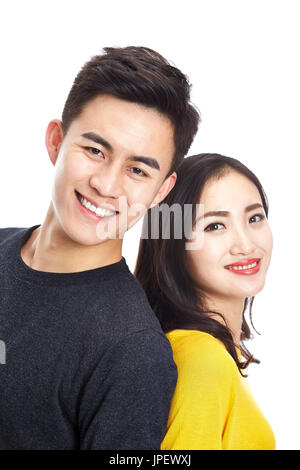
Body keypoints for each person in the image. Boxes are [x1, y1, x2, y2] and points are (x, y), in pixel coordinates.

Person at [0, 46, 200, 450]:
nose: (106, 186)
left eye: (137, 170)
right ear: (56, 141)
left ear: (161, 191)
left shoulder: (132, 352)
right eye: (95, 150)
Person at [135, 153, 276, 450]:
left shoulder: (214, 350)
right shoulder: (202, 360)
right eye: (214, 226)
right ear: (173, 245)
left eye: (254, 218)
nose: (246, 245)